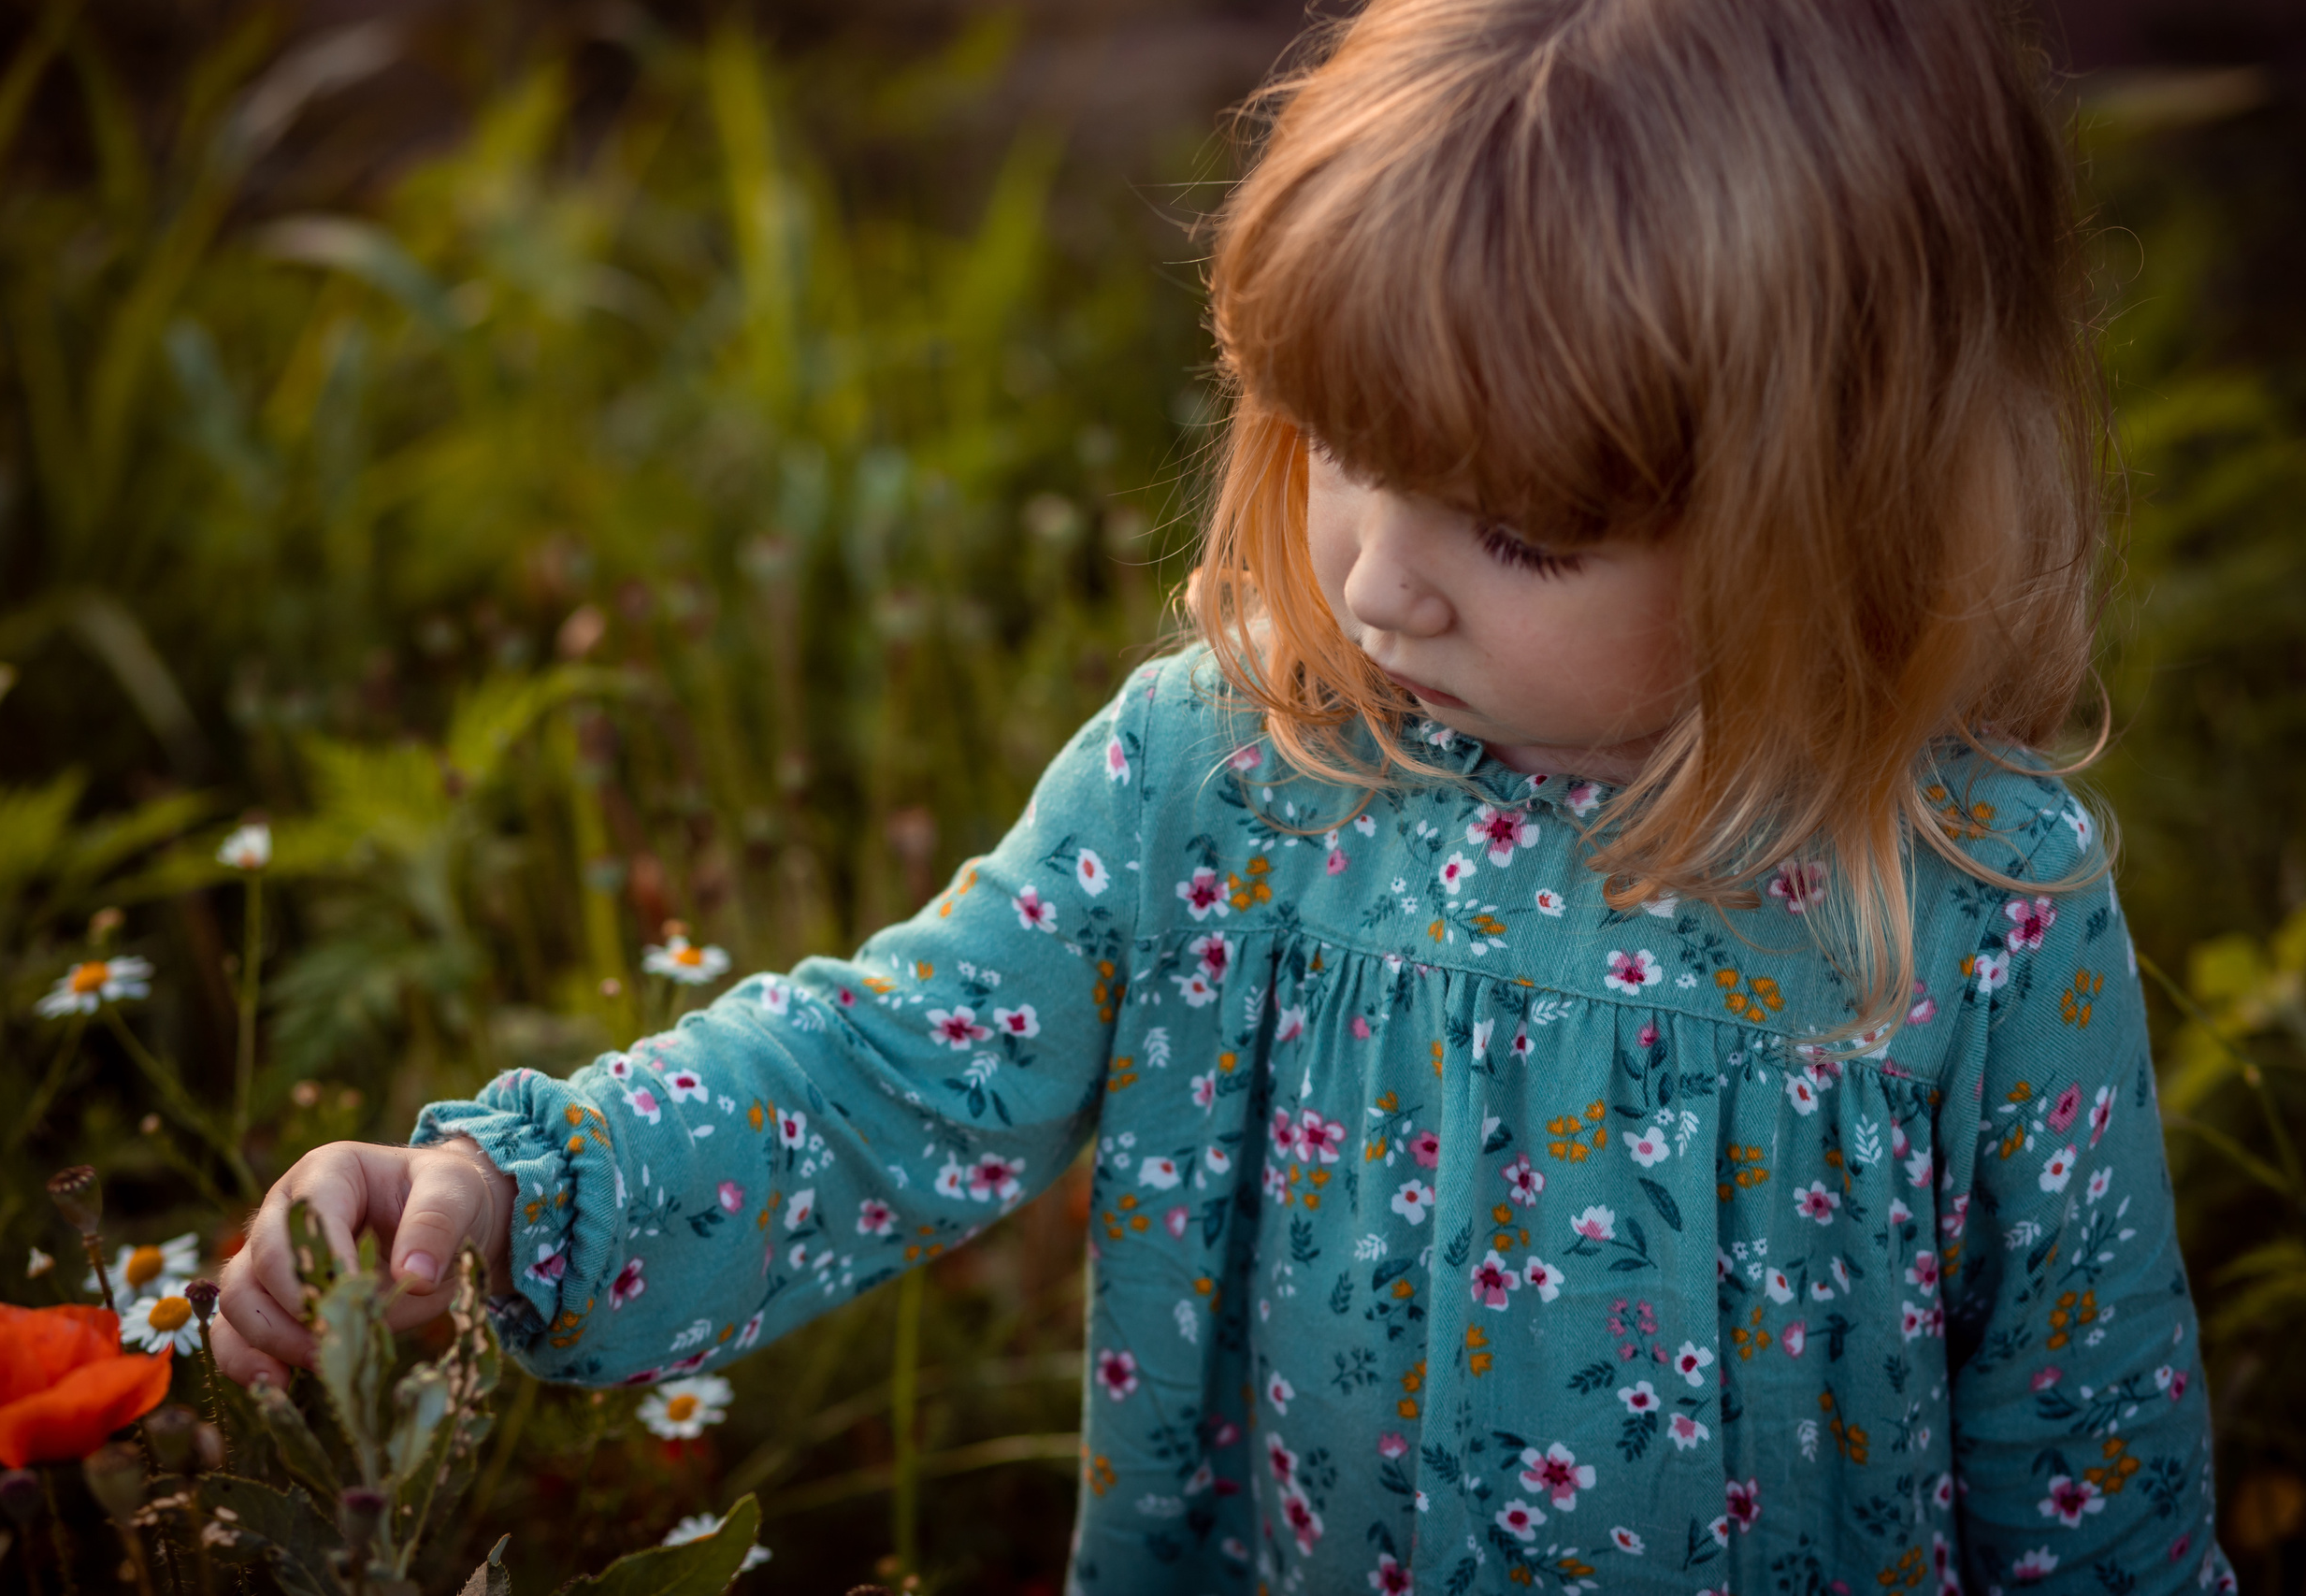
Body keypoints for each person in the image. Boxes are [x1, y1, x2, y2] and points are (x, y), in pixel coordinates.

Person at [212, 0, 2237, 1588]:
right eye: (1342, 447)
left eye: (1518, 532)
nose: (1372, 575)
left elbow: (2084, 1449)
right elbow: (886, 1075)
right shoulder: (1239, 775)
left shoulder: (1961, 896)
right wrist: (511, 1198)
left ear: (1833, 520)